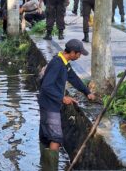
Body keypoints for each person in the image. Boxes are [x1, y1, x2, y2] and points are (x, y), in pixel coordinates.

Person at [38, 39, 95, 169]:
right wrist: (62, 98)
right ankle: (51, 168)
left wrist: (87, 92)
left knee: (46, 137)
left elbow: (73, 77)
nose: (80, 56)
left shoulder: (63, 62)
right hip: (49, 106)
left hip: (49, 104)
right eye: (79, 54)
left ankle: (45, 166)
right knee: (56, 139)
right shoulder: (57, 64)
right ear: (73, 53)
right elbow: (46, 86)